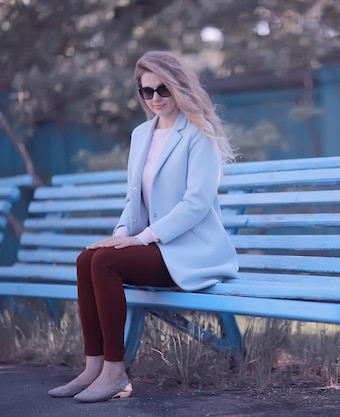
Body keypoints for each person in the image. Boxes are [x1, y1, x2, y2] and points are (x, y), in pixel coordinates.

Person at [47, 50, 240, 403]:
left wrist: (142, 239)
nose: (155, 99)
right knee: (87, 259)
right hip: (154, 244)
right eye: (146, 91)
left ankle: (116, 373)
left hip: (191, 250)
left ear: (179, 86)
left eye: (162, 90)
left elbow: (196, 204)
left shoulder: (200, 133)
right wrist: (122, 235)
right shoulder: (142, 134)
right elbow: (133, 199)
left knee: (105, 263)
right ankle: (94, 367)